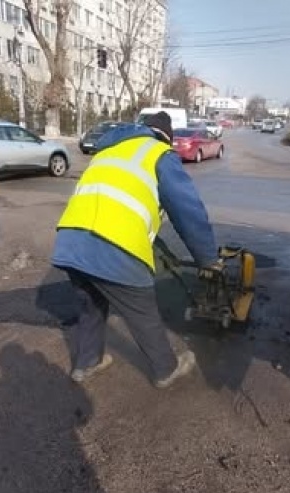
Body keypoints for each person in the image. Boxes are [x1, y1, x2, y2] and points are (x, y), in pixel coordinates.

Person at [52, 111, 220, 388]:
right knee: (143, 312)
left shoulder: (108, 151)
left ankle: (87, 363)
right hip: (115, 245)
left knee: (91, 304)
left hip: (70, 241)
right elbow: (187, 211)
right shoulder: (159, 153)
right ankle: (166, 369)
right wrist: (208, 258)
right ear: (166, 137)